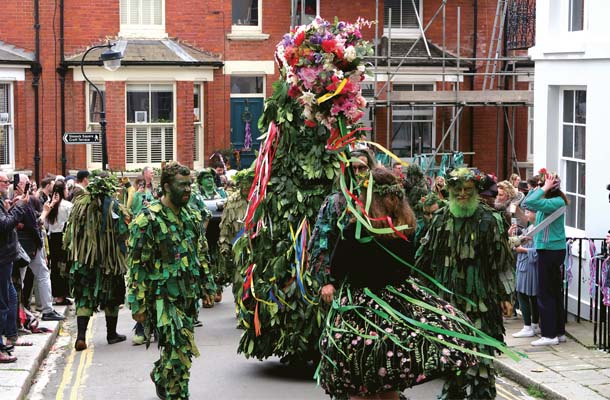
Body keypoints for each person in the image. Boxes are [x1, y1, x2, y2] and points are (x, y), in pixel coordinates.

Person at [318, 167, 482, 400]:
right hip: (394, 312)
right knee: (388, 382)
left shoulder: (354, 229)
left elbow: (338, 267)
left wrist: (334, 283)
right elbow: (403, 271)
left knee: (358, 380)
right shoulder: (406, 228)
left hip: (359, 313)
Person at [415, 167, 515, 399]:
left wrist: (506, 296)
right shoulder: (440, 219)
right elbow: (425, 259)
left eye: (467, 189)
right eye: (457, 189)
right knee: (451, 363)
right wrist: (417, 292)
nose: (462, 194)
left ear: (476, 191)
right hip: (448, 305)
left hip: (483, 305)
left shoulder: (490, 221)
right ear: (449, 190)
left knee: (481, 366)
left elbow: (502, 263)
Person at [127, 161, 210, 400]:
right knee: (179, 347)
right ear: (165, 186)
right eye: (182, 185)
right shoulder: (148, 219)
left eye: (189, 185)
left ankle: (161, 374)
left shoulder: (192, 217)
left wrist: (207, 285)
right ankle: (177, 394)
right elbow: (136, 265)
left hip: (187, 295)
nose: (187, 190)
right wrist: (137, 303)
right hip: (161, 298)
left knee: (178, 345)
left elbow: (200, 252)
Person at [64, 172, 130, 351]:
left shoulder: (79, 206)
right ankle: (111, 334)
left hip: (85, 262)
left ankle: (81, 337)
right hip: (109, 262)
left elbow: (71, 233)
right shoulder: (114, 206)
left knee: (84, 297)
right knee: (112, 296)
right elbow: (123, 231)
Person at [310, 148, 376, 306]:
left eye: (362, 168)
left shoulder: (380, 200)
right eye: (354, 169)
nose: (358, 173)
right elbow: (321, 244)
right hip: (344, 284)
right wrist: (326, 282)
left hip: (375, 282)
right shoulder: (335, 203)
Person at [522, 171, 568, 346]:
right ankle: (559, 332)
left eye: (543, 185)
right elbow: (532, 204)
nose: (540, 188)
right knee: (554, 292)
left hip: (549, 250)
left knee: (545, 293)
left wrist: (544, 187)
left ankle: (549, 335)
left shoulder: (553, 202)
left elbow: (529, 201)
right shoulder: (552, 202)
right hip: (552, 249)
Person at [13, 174, 63, 322]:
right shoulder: (20, 202)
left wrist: (50, 206)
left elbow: (34, 219)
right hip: (26, 246)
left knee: (28, 278)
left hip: (27, 246)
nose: (30, 187)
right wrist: (46, 212)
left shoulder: (23, 201)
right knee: (23, 279)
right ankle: (28, 312)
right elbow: (35, 223)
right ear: (19, 185)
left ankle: (24, 312)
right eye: (27, 184)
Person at [0, 171, 27, 363]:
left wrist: (11, 208)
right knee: (3, 303)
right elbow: (4, 226)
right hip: (2, 259)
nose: (8, 185)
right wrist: (19, 208)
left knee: (10, 298)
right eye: (5, 182)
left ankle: (9, 338)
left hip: (6, 259)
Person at [509, 205, 540, 338]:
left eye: (529, 211)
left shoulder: (538, 229)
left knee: (524, 295)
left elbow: (541, 250)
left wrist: (524, 250)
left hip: (529, 266)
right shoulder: (532, 227)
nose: (526, 214)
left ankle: (528, 326)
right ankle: (533, 325)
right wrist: (511, 235)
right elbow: (515, 243)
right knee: (531, 297)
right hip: (525, 264)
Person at [43, 180, 73, 306]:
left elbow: (45, 224)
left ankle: (57, 295)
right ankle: (63, 294)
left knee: (54, 267)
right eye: (66, 189)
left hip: (52, 238)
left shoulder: (49, 204)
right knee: (64, 267)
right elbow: (71, 222)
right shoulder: (67, 205)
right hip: (63, 237)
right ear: (63, 191)